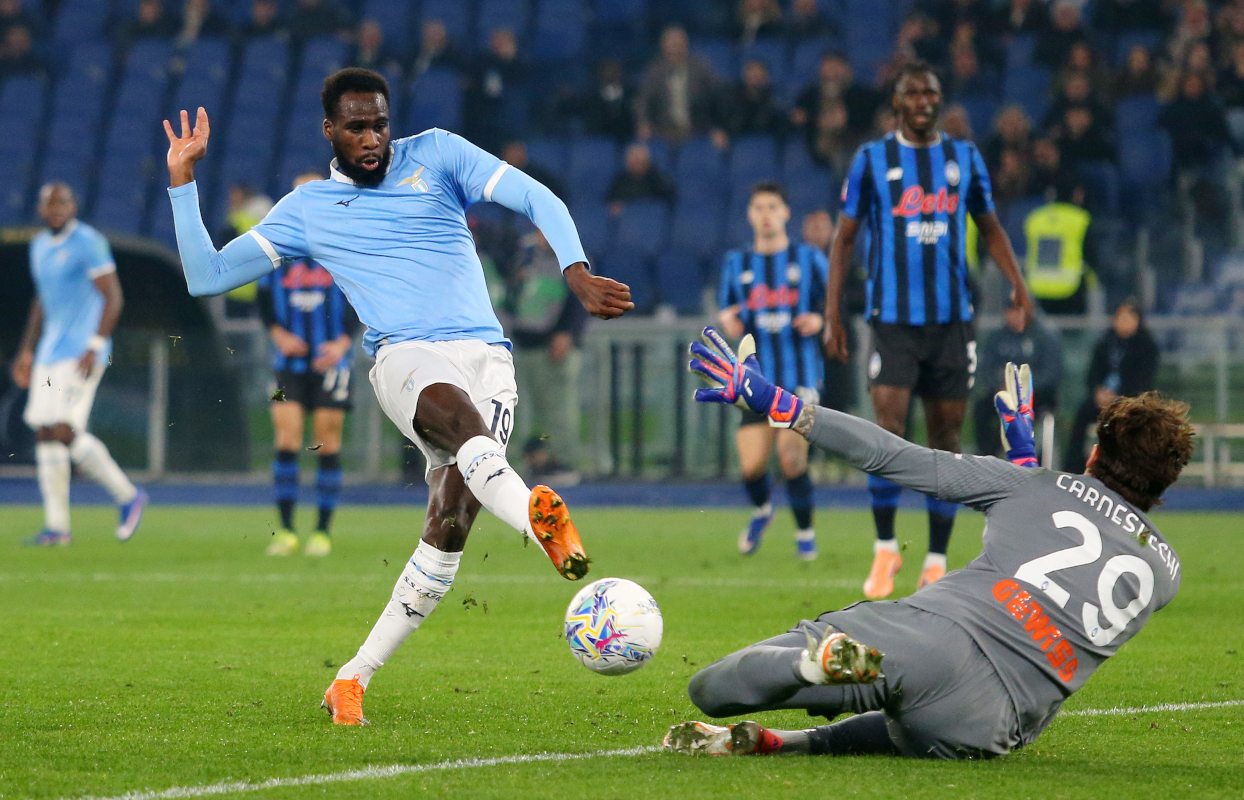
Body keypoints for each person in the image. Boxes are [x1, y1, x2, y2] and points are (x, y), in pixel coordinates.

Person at [163, 68, 633, 725]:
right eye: (356, 127)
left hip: (487, 357)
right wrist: (183, 182)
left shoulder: (437, 154)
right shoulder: (308, 210)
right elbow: (205, 277)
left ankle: (351, 679)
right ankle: (538, 516)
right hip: (402, 355)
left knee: (447, 530)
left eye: (380, 123)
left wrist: (575, 271)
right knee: (463, 428)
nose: (373, 137)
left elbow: (537, 199)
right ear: (330, 131)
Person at [670, 328, 1192, 759]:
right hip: (988, 724)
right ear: (1162, 486)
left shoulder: (1034, 486)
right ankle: (790, 744)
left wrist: (777, 403)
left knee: (710, 690)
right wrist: (1026, 459)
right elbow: (1073, 540)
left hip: (926, 637)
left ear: (1095, 454)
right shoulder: (1165, 574)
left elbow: (892, 456)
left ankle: (809, 665)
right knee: (910, 718)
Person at [825, 61, 1034, 599]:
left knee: (944, 441)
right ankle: (885, 549)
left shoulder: (964, 158)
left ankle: (937, 559)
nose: (922, 100)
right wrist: (833, 314)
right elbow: (844, 239)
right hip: (892, 321)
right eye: (912, 92)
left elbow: (990, 229)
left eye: (931, 92)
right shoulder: (873, 160)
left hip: (951, 323)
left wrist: (1018, 283)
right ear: (897, 103)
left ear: (940, 101)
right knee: (887, 434)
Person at [9, 183, 148, 546]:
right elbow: (42, 301)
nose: (56, 208)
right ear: (41, 209)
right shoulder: (39, 245)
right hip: (49, 353)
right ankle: (57, 527)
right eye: (50, 203)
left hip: (81, 352)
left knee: (62, 428)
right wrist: (26, 350)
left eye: (63, 202)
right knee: (42, 430)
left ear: (73, 206)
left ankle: (127, 495)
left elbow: (112, 296)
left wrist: (96, 344)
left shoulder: (88, 241)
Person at [719, 183, 829, 560]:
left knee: (791, 458)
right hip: (754, 379)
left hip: (799, 375)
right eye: (758, 207)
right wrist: (728, 320)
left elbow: (834, 305)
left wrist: (819, 319)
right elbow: (728, 311)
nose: (765, 214)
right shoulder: (737, 263)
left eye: (772, 206)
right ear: (750, 215)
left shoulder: (810, 258)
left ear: (785, 213)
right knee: (751, 467)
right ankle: (763, 510)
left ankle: (805, 534)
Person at [256, 171, 361, 558]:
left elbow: (361, 297)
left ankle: (321, 532)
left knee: (325, 442)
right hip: (288, 362)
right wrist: (279, 335)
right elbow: (263, 300)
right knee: (286, 438)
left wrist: (343, 341)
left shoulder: (344, 242)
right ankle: (285, 531)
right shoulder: (278, 245)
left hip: (333, 361)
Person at [509, 228, 588, 480]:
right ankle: (537, 461)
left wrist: (567, 332)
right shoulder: (527, 258)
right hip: (528, 344)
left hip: (554, 345)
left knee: (559, 408)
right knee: (532, 410)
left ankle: (564, 462)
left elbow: (582, 300)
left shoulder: (572, 261)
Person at [1063, 299, 1158, 474]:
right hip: (1102, 399)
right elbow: (1092, 373)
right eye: (1119, 317)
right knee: (1083, 414)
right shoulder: (1105, 343)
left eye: (1127, 317)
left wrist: (1120, 397)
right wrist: (1098, 392)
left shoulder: (1146, 347)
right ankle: (1074, 468)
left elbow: (1143, 380)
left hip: (1129, 401)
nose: (1122, 321)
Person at [973, 305, 1062, 458]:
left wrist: (1022, 389)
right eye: (1011, 311)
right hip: (1002, 393)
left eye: (1019, 311)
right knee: (982, 408)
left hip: (1036, 396)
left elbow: (1051, 373)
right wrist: (999, 386)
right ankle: (988, 456)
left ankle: (1034, 458)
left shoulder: (1043, 337)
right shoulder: (996, 338)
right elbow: (985, 368)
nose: (1015, 316)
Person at [605, 142, 677, 214]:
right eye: (633, 160)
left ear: (647, 162)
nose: (636, 164)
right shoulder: (619, 180)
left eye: (640, 161)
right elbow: (610, 199)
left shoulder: (656, 180)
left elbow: (667, 197)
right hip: (628, 220)